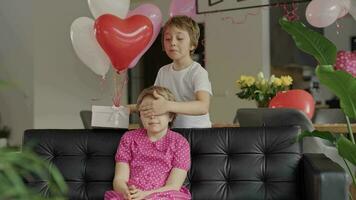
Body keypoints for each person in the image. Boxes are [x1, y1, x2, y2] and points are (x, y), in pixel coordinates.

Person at [105, 86, 191, 200]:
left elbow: (173, 186)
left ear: (170, 116)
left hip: (165, 194)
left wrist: (145, 195)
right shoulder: (129, 138)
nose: (152, 116)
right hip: (133, 193)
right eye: (146, 111)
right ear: (140, 115)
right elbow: (120, 179)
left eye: (158, 111)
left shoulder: (180, 143)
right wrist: (126, 191)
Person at [139, 15, 212, 128]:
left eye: (180, 38)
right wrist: (130, 108)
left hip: (198, 134)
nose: (172, 42)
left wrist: (167, 105)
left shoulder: (198, 72)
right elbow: (155, 102)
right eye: (168, 39)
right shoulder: (163, 71)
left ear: (192, 45)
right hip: (172, 133)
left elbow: (203, 106)